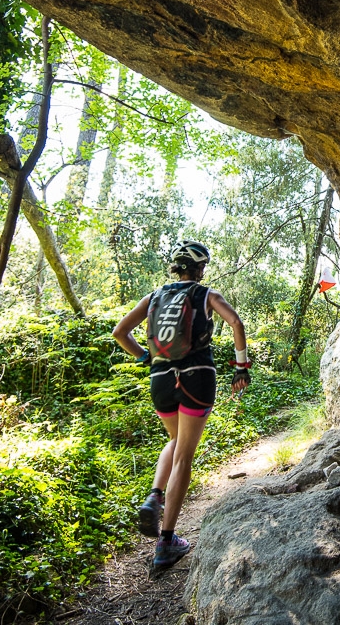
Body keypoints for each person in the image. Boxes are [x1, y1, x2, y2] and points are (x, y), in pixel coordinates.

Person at [112, 239, 250, 568]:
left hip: (160, 380)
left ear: (177, 266)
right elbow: (237, 323)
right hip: (197, 377)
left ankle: (155, 495)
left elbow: (120, 332)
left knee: (174, 442)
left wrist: (146, 356)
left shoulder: (155, 296)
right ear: (200, 268)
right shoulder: (207, 295)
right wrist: (241, 367)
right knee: (184, 456)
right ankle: (166, 542)